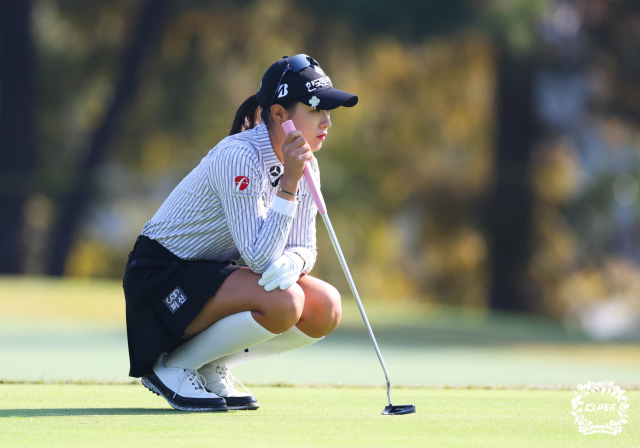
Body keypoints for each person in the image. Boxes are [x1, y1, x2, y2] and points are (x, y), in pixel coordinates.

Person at [122, 54, 358, 412]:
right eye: (315, 109)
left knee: (325, 307)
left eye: (329, 111)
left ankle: (210, 363)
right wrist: (290, 182)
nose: (327, 121)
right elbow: (261, 259)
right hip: (159, 280)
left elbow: (303, 247)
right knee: (285, 303)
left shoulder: (307, 162)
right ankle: (171, 367)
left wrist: (294, 262)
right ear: (280, 114)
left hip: (214, 275)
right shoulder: (240, 155)